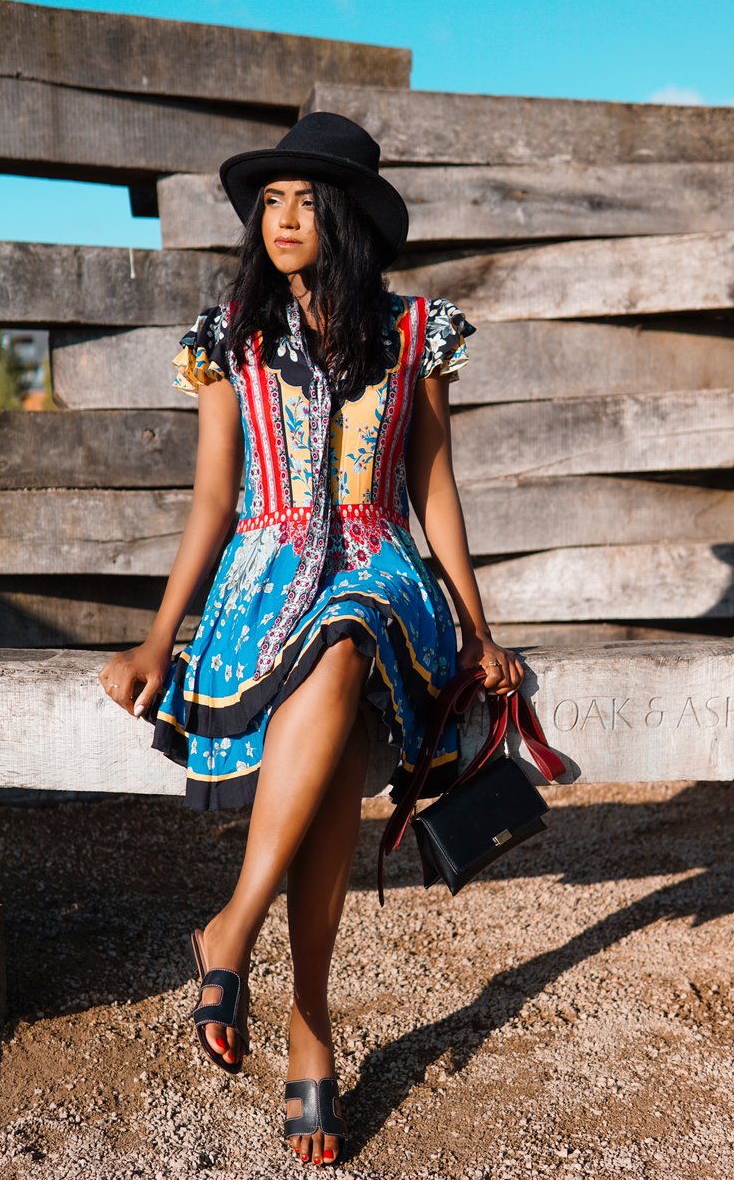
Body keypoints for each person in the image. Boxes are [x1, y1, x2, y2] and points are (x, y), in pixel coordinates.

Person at [98, 111, 524, 1166]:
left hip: (381, 573)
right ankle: (311, 1027)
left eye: (304, 201)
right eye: (269, 202)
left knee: (345, 632)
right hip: (262, 578)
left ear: (344, 217)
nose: (282, 219)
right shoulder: (227, 340)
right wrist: (159, 639)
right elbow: (209, 505)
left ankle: (228, 930)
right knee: (326, 735)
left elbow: (433, 487)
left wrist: (478, 625)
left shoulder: (417, 330)